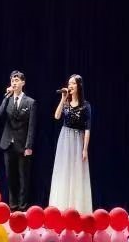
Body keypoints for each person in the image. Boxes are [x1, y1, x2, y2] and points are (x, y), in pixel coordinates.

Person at [49, 74, 92, 213]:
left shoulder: (85, 105)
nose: (70, 86)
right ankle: (61, 207)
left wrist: (85, 149)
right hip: (65, 139)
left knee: (76, 171)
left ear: (79, 86)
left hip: (78, 139)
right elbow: (57, 116)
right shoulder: (66, 102)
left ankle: (76, 207)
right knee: (64, 170)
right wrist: (63, 99)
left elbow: (87, 128)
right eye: (69, 83)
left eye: (73, 83)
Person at [0, 70, 36, 211]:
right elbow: (0, 113)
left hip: (22, 144)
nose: (14, 83)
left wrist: (29, 146)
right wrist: (6, 97)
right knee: (10, 177)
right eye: (12, 80)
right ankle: (12, 206)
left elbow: (31, 127)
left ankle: (22, 207)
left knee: (23, 178)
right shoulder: (8, 99)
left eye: (17, 80)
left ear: (23, 83)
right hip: (8, 143)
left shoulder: (30, 102)